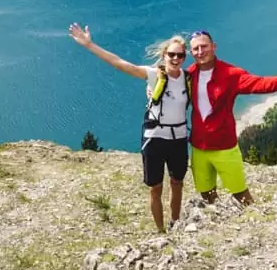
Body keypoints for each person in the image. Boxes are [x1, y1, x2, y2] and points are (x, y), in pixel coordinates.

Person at [67, 23, 189, 233]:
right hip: (155, 137)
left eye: (180, 55)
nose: (176, 59)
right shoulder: (153, 74)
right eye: (172, 55)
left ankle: (175, 224)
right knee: (155, 188)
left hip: (178, 138)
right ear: (164, 54)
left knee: (177, 183)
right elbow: (119, 63)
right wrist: (89, 45)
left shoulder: (188, 79)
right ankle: (160, 231)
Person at [184, 29, 277, 205]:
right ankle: (218, 225)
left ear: (214, 47)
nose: (200, 52)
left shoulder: (230, 73)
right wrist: (152, 89)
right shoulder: (189, 74)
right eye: (195, 49)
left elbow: (257, 83)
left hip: (224, 146)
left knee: (241, 195)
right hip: (199, 146)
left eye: (204, 46)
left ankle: (253, 222)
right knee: (206, 193)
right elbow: (171, 89)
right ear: (191, 53)